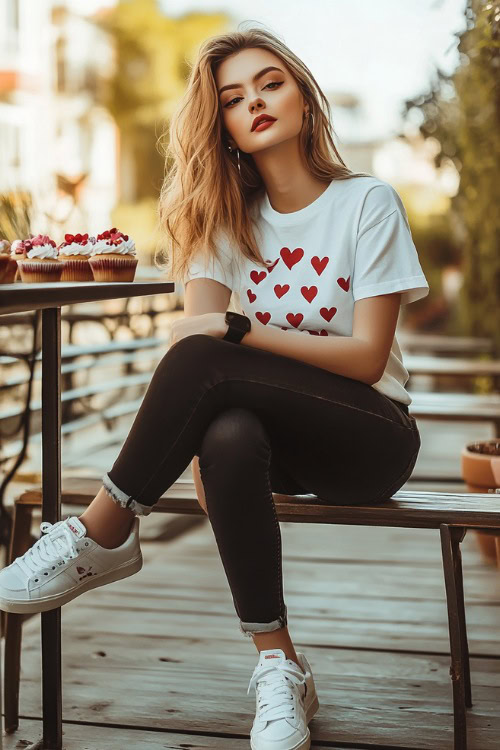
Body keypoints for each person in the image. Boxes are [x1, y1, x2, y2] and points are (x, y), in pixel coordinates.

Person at [0, 24, 429, 750]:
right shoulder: (219, 222)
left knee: (212, 344)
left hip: (370, 437)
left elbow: (364, 357)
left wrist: (238, 332)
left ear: (302, 95)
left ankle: (102, 529)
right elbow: (201, 352)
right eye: (234, 98)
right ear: (223, 125)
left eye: (270, 83)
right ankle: (278, 668)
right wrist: (207, 406)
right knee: (227, 430)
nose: (256, 102)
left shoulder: (368, 203)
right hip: (269, 445)